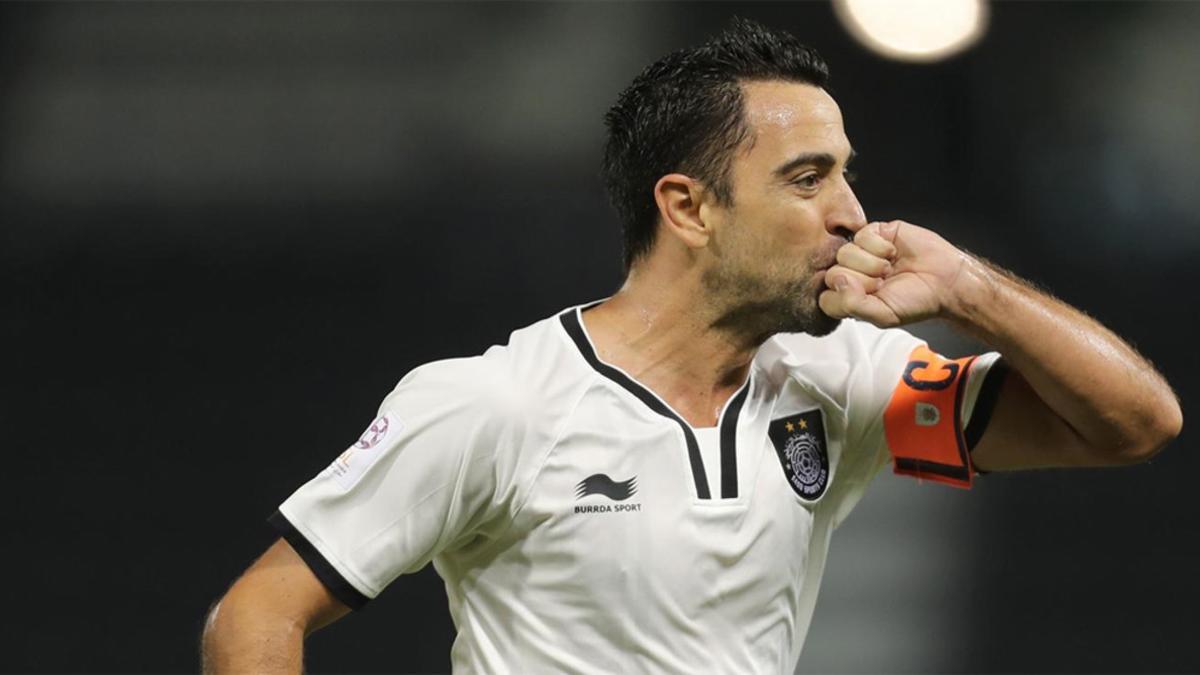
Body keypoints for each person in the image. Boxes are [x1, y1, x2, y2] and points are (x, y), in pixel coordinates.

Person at [200, 18, 1181, 674]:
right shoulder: (497, 405)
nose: (851, 214)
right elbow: (255, 615)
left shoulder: (842, 387)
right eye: (807, 179)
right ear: (689, 207)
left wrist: (969, 288)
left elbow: (1132, 425)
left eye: (847, 175)